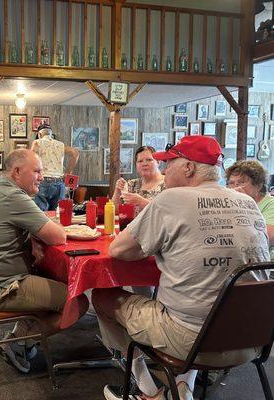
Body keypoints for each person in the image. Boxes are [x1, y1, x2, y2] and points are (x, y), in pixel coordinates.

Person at [92, 136, 270, 400]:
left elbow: (119, 250)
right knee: (200, 298)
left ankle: (147, 389)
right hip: (253, 339)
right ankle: (182, 387)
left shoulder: (170, 199)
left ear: (188, 168)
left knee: (102, 296)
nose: (164, 171)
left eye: (169, 164)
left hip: (192, 343)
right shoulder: (249, 203)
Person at [0, 149, 88, 374]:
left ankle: (21, 338)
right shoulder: (12, 196)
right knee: (77, 302)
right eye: (37, 171)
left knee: (54, 277)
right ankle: (18, 341)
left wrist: (32, 235)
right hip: (1, 287)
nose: (42, 177)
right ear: (17, 172)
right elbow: (58, 236)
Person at [226, 160, 274, 264]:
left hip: (265, 267)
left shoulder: (271, 204)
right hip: (239, 262)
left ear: (258, 185)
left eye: (242, 182)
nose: (235, 188)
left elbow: (265, 239)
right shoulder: (230, 204)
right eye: (231, 183)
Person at [30, 123, 79, 211]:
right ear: (51, 134)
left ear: (39, 134)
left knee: (41, 215)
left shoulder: (37, 142)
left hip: (43, 182)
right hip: (59, 183)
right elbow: (75, 153)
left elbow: (29, 157)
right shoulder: (60, 144)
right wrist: (68, 172)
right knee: (58, 214)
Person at [111, 145, 165, 214]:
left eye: (149, 160)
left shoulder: (168, 183)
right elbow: (115, 211)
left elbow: (167, 212)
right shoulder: (131, 184)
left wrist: (141, 201)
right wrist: (117, 190)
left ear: (158, 162)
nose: (144, 164)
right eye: (140, 161)